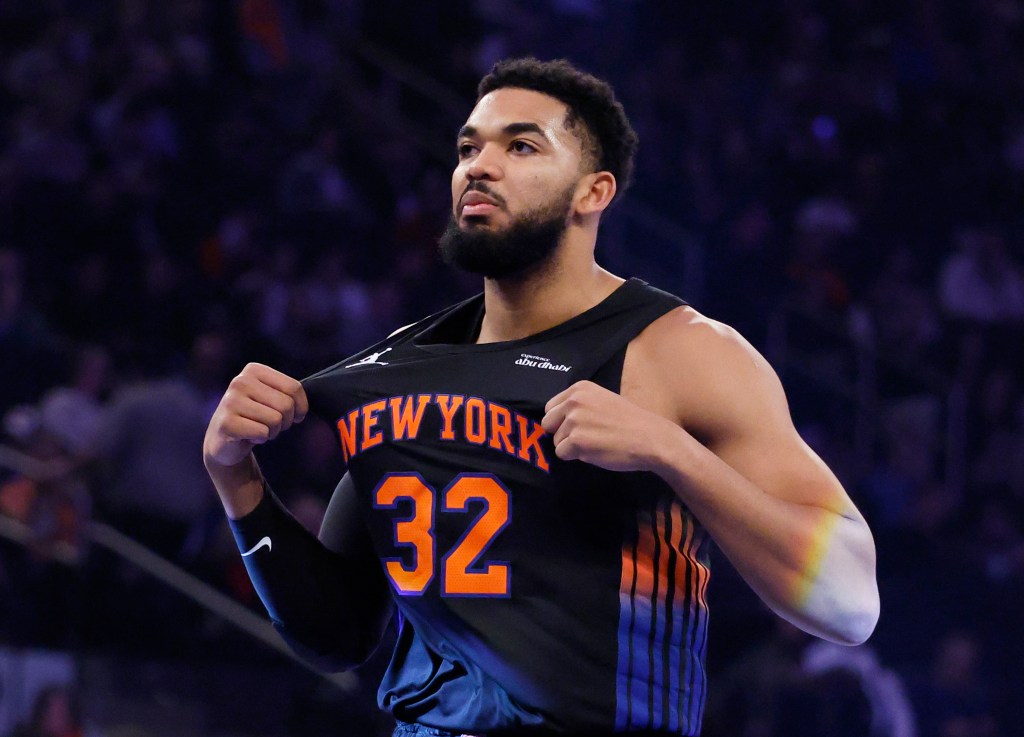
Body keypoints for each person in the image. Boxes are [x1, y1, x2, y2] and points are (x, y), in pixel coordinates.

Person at [203, 58, 879, 737]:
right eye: (469, 147)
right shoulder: (402, 366)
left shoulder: (680, 352)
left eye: (520, 146)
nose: (479, 165)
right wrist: (236, 476)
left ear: (594, 191)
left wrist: (670, 450)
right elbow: (337, 634)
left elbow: (850, 601)